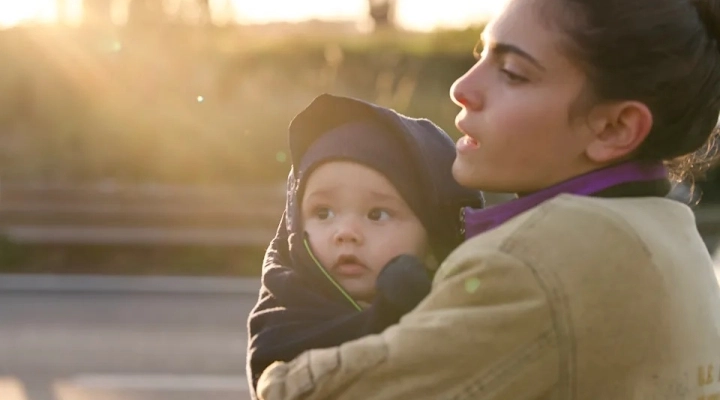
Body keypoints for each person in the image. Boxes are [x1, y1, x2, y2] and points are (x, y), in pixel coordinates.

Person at [255, 0, 720, 398]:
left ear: (614, 127)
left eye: (513, 73)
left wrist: (287, 279)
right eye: (481, 54)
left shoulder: (535, 260)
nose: (463, 88)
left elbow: (291, 392)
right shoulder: (666, 227)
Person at [245, 94, 484, 398]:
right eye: (323, 213)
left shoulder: (468, 315)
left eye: (377, 214)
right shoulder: (285, 320)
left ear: (434, 233)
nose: (345, 233)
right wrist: (388, 313)